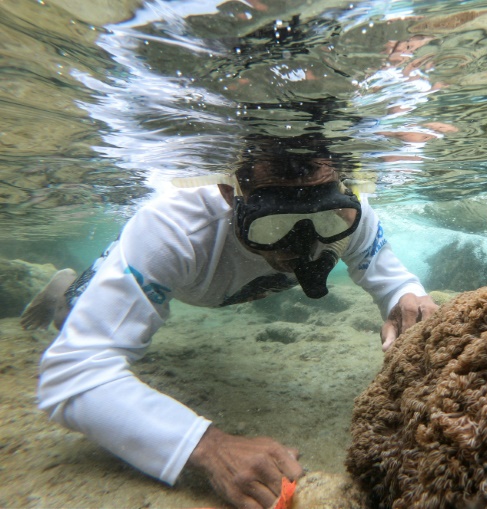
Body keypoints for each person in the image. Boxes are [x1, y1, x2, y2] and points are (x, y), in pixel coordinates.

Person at [21, 133, 438, 509]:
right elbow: (71, 374)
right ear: (228, 193)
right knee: (68, 321)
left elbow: (394, 282)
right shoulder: (171, 231)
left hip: (218, 286)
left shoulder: (353, 217)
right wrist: (207, 448)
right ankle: (64, 290)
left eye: (324, 217)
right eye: (274, 224)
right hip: (178, 279)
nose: (303, 246)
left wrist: (406, 300)